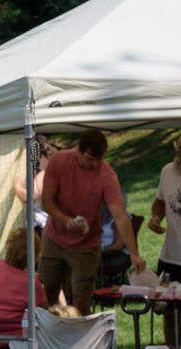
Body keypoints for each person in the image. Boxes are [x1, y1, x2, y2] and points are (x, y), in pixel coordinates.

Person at [40, 130, 145, 315]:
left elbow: (120, 216)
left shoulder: (107, 175)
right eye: (90, 159)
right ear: (78, 151)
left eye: (99, 159)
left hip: (86, 244)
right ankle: (45, 341)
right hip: (54, 238)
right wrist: (66, 221)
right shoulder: (58, 161)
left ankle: (83, 341)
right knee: (45, 294)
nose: (95, 164)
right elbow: (46, 202)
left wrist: (134, 254)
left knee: (81, 300)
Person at [148, 132, 181, 346]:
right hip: (170, 259)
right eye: (177, 147)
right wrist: (156, 217)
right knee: (167, 309)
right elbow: (159, 201)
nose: (178, 152)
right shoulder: (167, 171)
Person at [14, 136, 59, 230]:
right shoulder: (60, 175)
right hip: (53, 226)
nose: (39, 162)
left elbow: (28, 197)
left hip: (41, 226)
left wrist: (17, 185)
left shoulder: (45, 174)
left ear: (44, 158)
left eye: (39, 158)